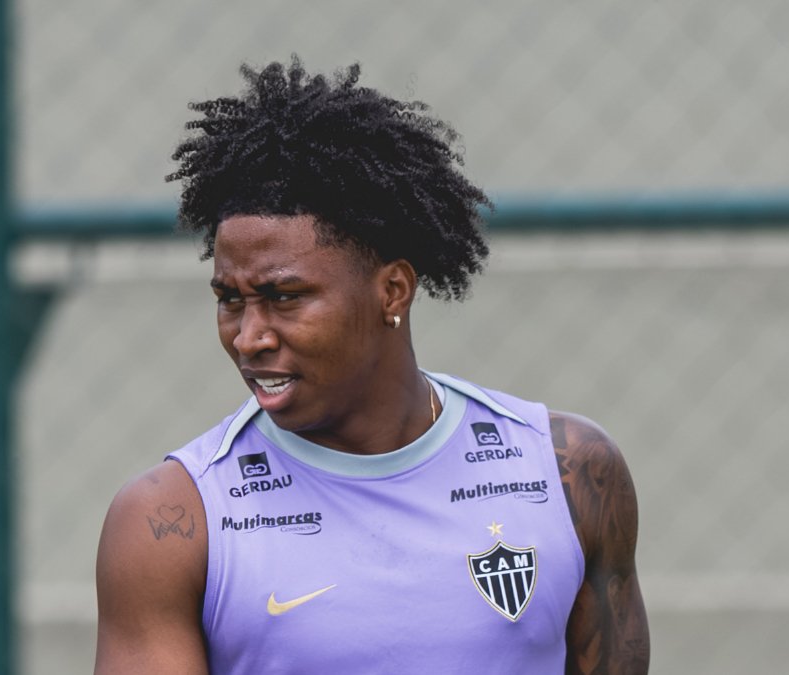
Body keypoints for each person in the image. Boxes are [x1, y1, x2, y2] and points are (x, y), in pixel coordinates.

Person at [94, 57, 649, 674]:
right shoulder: (171, 520)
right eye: (230, 301)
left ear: (392, 292)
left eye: (284, 297)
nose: (249, 337)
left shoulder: (570, 473)